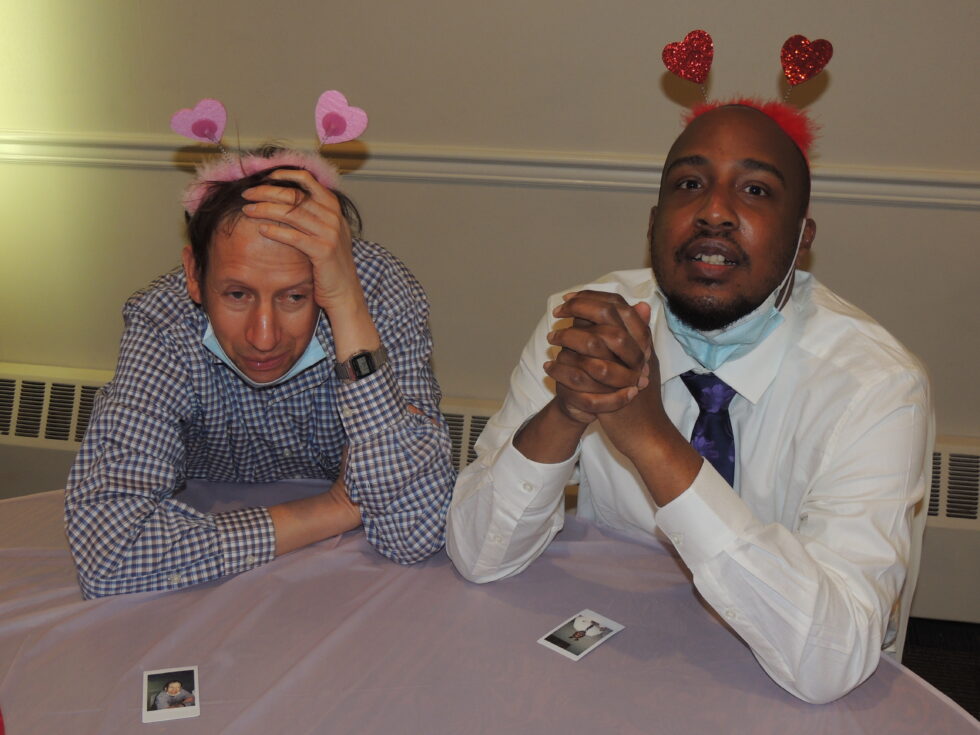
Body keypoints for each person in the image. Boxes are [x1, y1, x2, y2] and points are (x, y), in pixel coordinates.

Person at [447, 104, 932, 703]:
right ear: (654, 222)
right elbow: (480, 556)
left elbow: (829, 662)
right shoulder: (587, 329)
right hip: (614, 657)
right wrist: (566, 413)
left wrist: (652, 441)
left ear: (802, 238)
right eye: (689, 184)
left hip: (777, 683)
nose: (714, 212)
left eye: (755, 190)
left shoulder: (875, 386)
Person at [65, 146, 455, 598]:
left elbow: (414, 533)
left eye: (295, 297)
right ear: (193, 274)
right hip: (215, 571)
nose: (264, 338)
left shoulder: (379, 297)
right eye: (237, 295)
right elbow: (109, 556)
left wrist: (348, 305)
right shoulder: (163, 323)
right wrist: (334, 508)